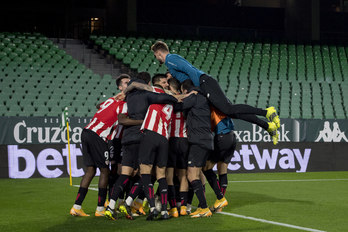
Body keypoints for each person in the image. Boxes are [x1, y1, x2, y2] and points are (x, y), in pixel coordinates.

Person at [151, 41, 280, 145]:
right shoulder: (170, 62)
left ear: (158, 52)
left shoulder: (170, 59)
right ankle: (267, 126)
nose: (156, 58)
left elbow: (190, 71)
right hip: (202, 84)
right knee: (232, 112)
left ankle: (267, 112)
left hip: (204, 83)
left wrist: (198, 89)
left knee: (229, 109)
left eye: (155, 55)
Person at [105, 72, 181, 221]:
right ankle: (135, 203)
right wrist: (175, 97)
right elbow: (162, 99)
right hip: (144, 136)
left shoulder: (128, 99)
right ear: (147, 83)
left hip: (126, 138)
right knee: (149, 174)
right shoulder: (149, 95)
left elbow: (121, 118)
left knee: (125, 174)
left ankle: (111, 205)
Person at [70, 95, 141, 217]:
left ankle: (76, 207)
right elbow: (123, 120)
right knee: (105, 171)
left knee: (90, 171)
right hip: (98, 135)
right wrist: (142, 121)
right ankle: (100, 208)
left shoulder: (111, 100)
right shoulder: (123, 105)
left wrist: (114, 98)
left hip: (86, 132)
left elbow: (98, 106)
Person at [174, 79, 213, 218]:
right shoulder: (203, 98)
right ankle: (203, 207)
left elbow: (178, 107)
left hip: (198, 141)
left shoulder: (194, 96)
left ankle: (203, 208)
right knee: (196, 174)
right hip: (206, 139)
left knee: (191, 175)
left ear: (184, 90)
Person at [203, 106, 236, 213]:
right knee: (222, 169)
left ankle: (220, 197)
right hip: (232, 136)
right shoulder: (222, 105)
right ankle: (219, 204)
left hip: (222, 136)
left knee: (206, 168)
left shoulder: (210, 106)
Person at [167, 78, 190, 217]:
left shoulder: (168, 101)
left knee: (169, 176)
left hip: (171, 141)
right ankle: (183, 207)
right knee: (183, 176)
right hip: (185, 141)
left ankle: (173, 208)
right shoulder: (187, 102)